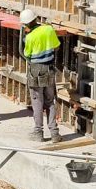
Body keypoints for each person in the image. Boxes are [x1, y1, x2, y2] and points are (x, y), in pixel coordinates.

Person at [19, 9, 61, 142]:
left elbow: (27, 54)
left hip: (35, 70)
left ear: (26, 24)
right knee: (50, 101)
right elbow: (56, 47)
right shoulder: (49, 29)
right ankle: (54, 133)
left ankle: (38, 132)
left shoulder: (29, 37)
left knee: (37, 102)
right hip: (49, 68)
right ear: (36, 19)